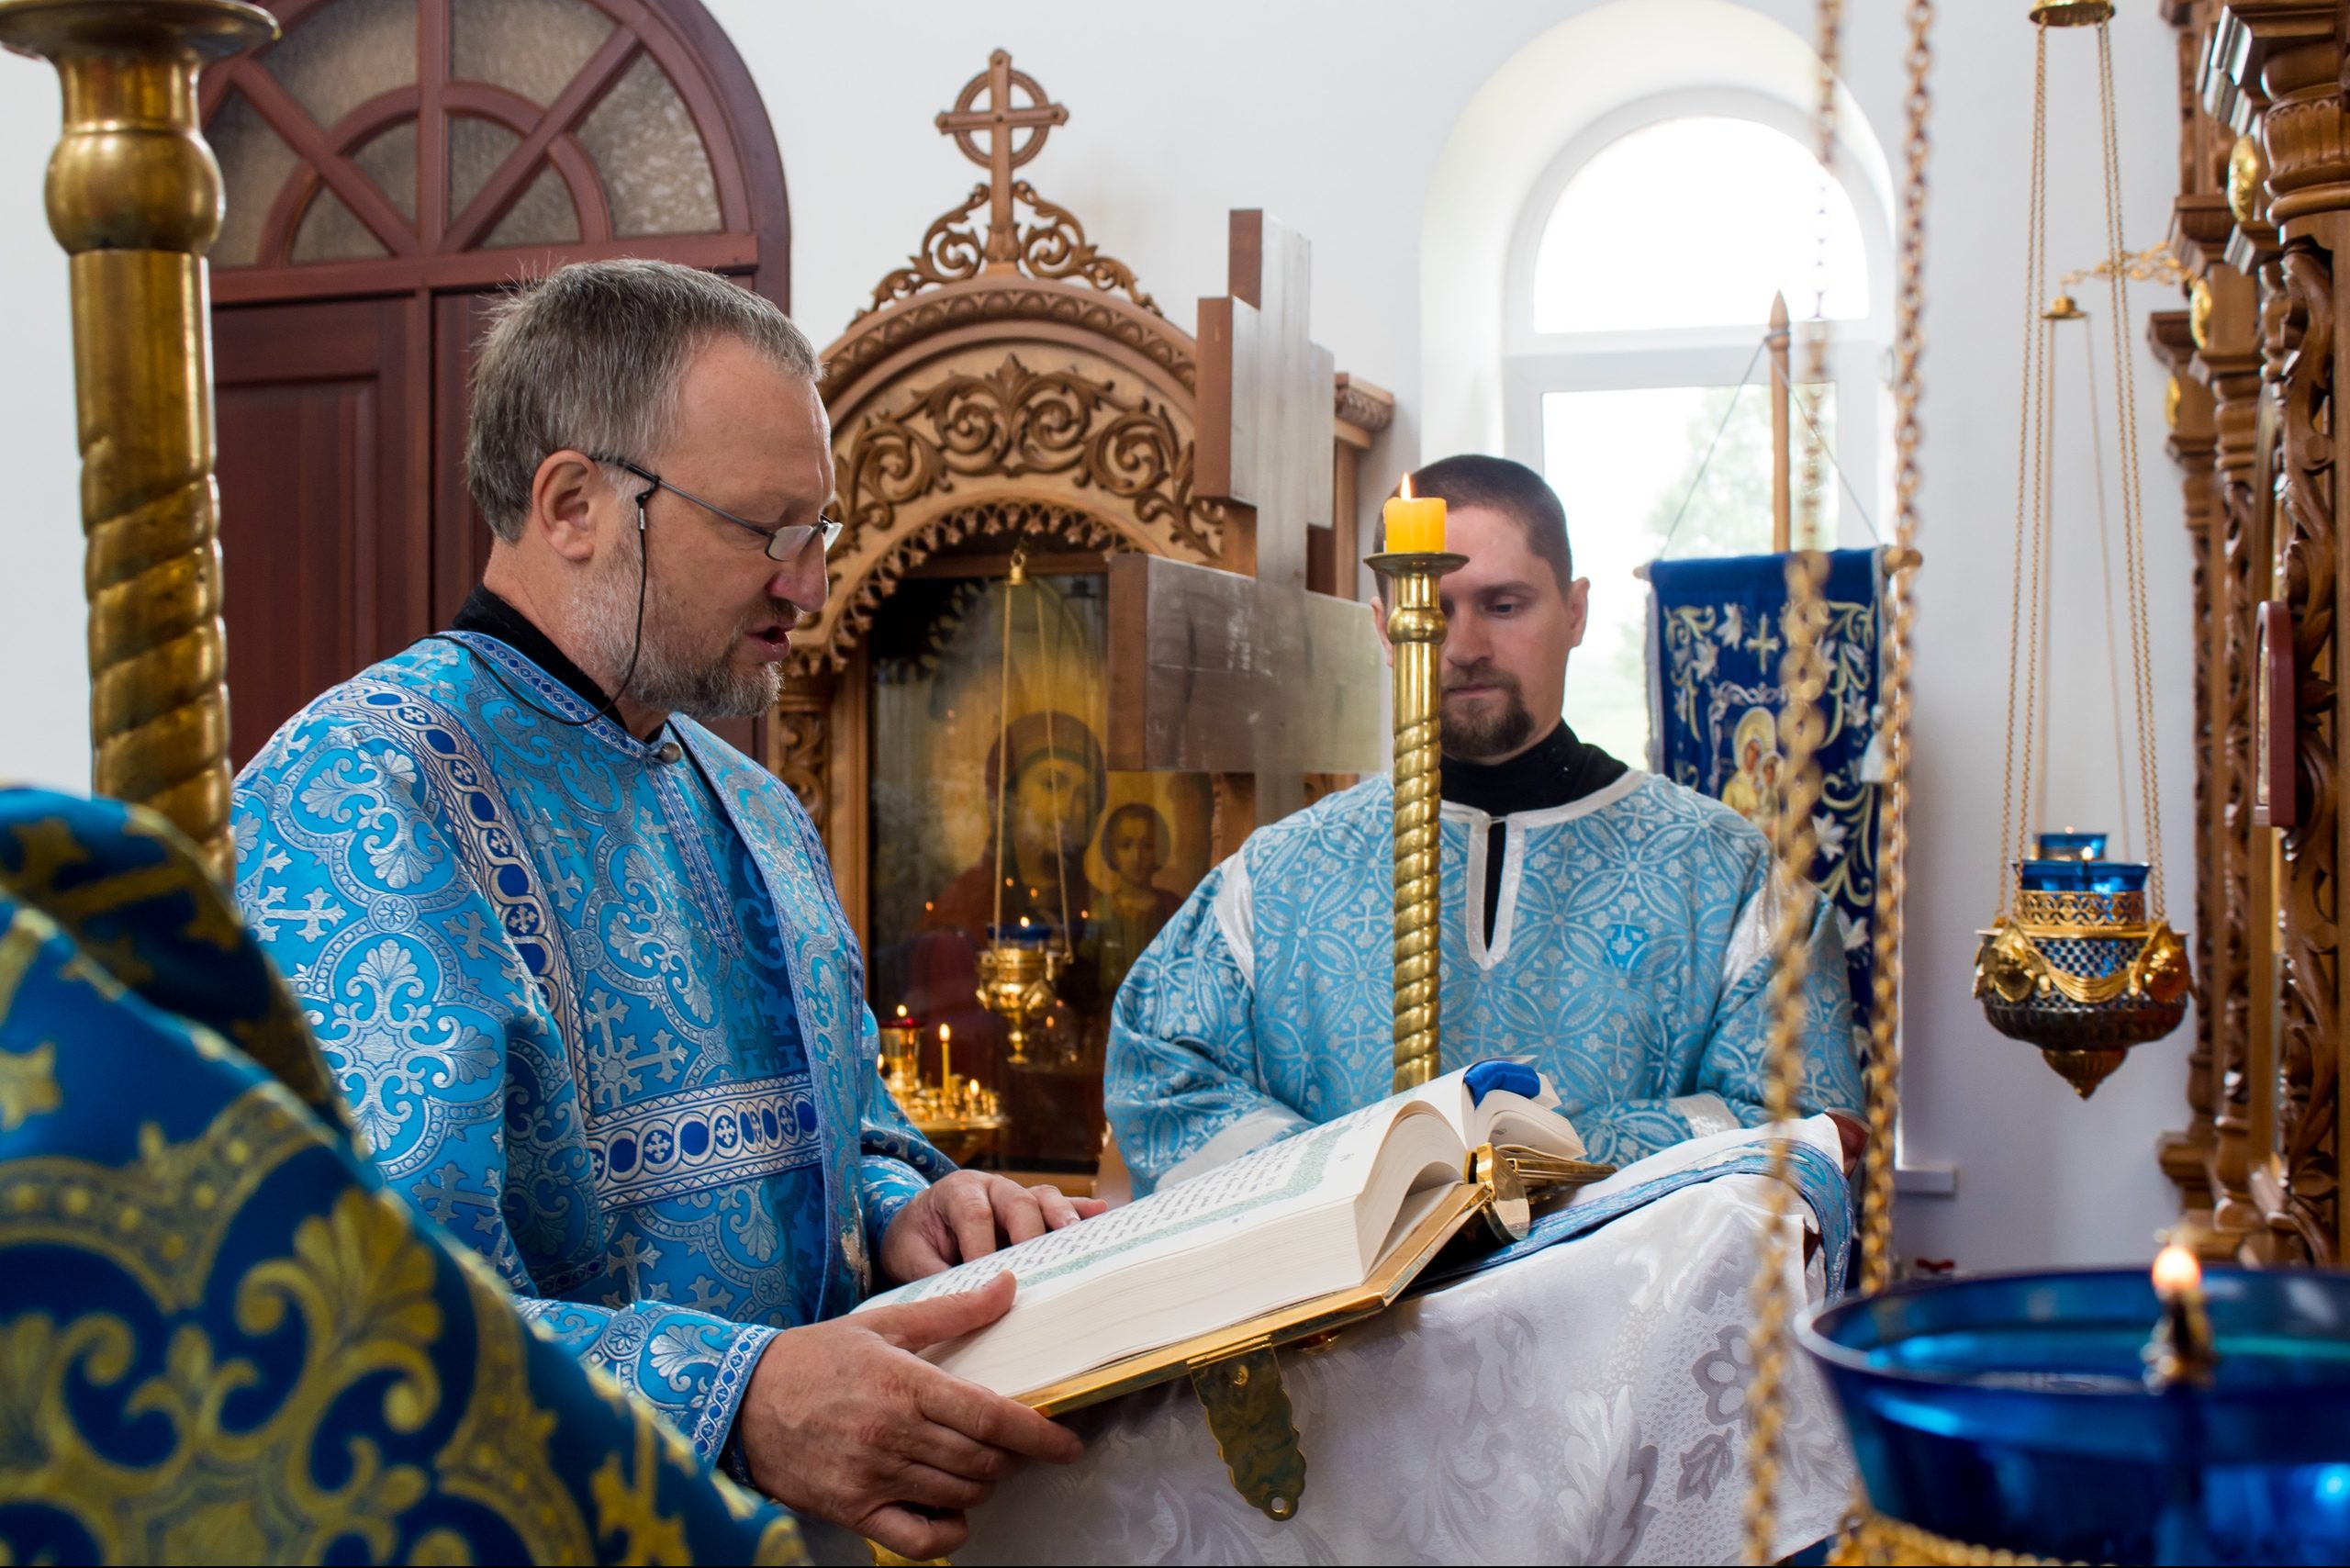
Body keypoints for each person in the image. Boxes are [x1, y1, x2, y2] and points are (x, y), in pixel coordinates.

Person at [233, 259, 1100, 1559]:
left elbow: (846, 1129)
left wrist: (906, 1208)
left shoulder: (755, 809)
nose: (808, 584)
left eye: (818, 533)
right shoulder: (361, 797)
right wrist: (733, 1401)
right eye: (766, 530)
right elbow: (344, 1296)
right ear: (575, 504)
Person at [1104, 454, 1864, 1193]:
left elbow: (1804, 1125)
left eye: (1504, 606)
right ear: (1384, 626)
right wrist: (1356, 1175)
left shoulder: (1721, 872)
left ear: (1575, 611)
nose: (1463, 648)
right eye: (1429, 612)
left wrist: (1546, 1151)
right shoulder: (1277, 877)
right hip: (1346, 1320)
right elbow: (1164, 1082)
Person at [1080, 801, 1182, 1002]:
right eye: (1126, 845)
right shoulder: (1102, 909)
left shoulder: (1173, 907)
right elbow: (1087, 968)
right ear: (1112, 851)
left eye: (1147, 845)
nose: (1137, 857)